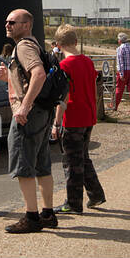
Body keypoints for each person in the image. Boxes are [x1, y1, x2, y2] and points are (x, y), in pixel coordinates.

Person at [0, 8, 57, 234]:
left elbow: (38, 74)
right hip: (43, 111)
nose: (7, 25)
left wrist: (24, 106)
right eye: (6, 21)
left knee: (24, 165)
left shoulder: (23, 46)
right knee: (42, 164)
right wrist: (9, 77)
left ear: (26, 25)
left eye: (12, 22)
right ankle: (48, 214)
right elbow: (30, 77)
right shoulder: (34, 44)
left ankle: (32, 217)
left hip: (28, 115)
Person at [50, 24, 105, 215]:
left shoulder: (63, 66)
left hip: (72, 117)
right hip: (88, 115)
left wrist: (56, 123)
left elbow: (62, 97)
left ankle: (73, 202)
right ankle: (95, 193)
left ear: (58, 44)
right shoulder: (88, 62)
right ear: (75, 41)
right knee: (83, 157)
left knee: (72, 162)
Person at [114, 32, 130, 113]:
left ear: (120, 40)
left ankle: (115, 105)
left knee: (119, 89)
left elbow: (120, 62)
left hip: (124, 71)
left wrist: (121, 73)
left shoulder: (120, 49)